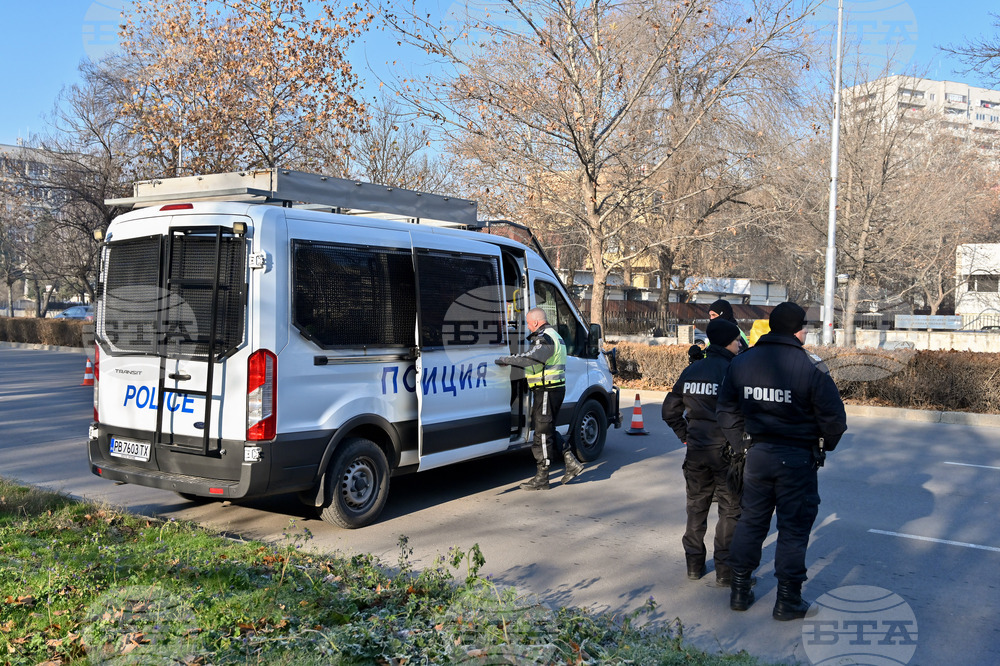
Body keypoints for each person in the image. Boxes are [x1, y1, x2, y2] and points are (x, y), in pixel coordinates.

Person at [716, 302, 847, 620]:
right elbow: (835, 421)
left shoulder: (743, 362)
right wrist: (822, 446)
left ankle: (739, 591)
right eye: (805, 326)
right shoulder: (811, 366)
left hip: (757, 456)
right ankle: (787, 600)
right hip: (797, 459)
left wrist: (742, 443)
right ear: (797, 329)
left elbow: (725, 409)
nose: (806, 332)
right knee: (793, 528)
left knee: (751, 521)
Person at [662, 318, 743, 585]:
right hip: (726, 453)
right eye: (736, 341)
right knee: (730, 511)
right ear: (727, 342)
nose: (739, 345)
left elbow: (669, 410)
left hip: (696, 452)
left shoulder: (693, 370)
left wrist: (686, 436)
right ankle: (725, 572)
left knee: (696, 509)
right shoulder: (733, 370)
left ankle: (694, 566)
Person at [496, 308, 585, 490]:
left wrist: (507, 359)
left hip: (547, 390)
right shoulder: (554, 335)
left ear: (536, 323)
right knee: (547, 428)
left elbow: (531, 358)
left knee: (542, 434)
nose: (528, 328)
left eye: (528, 324)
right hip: (551, 389)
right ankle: (570, 461)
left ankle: (542, 477)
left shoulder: (545, 338)